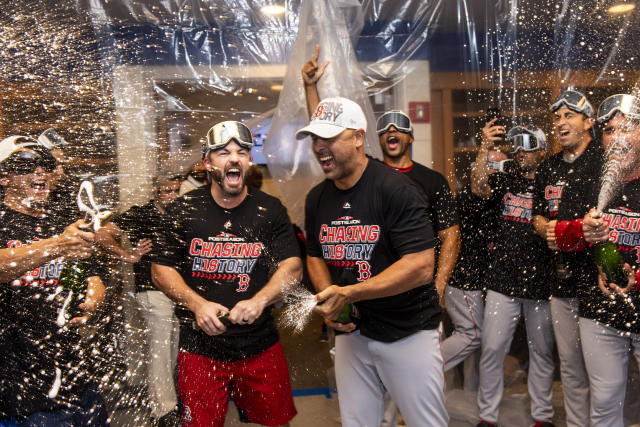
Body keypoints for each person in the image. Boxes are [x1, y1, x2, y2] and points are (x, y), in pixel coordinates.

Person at [299, 96, 448, 426]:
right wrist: (332, 300)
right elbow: (314, 256)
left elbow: (421, 265)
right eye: (314, 139)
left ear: (357, 137)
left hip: (408, 331)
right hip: (353, 332)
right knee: (357, 422)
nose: (320, 147)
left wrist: (350, 294)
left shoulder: (396, 189)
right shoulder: (317, 198)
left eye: (329, 138)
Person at [150, 120, 302, 427]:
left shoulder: (270, 210)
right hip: (200, 349)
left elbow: (292, 267)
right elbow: (160, 269)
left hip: (259, 345)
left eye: (241, 152)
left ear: (248, 161)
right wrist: (197, 304)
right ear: (207, 163)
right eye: (223, 152)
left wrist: (260, 300)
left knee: (274, 423)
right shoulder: (183, 210)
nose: (234, 158)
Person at [0, 136, 109, 424]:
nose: (40, 171)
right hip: (20, 385)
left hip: (77, 374)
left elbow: (93, 275)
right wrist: (57, 246)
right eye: (25, 165)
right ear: (3, 178)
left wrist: (93, 300)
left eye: (46, 164)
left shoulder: (60, 221)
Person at [557, 92, 640, 426]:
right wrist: (582, 230)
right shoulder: (588, 177)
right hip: (599, 310)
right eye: (609, 131)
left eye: (627, 128)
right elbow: (559, 235)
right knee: (605, 402)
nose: (616, 138)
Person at [471, 124, 556, 427]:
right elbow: (479, 186)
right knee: (492, 349)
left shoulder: (552, 184)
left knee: (542, 352)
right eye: (517, 146)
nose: (520, 151)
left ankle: (542, 417)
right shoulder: (507, 179)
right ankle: (487, 416)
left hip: (541, 283)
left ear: (543, 151)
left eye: (528, 146)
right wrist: (483, 147)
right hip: (502, 280)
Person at [531, 89, 601, 427]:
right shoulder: (548, 168)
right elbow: (536, 215)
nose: (560, 123)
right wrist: (546, 226)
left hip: (599, 282)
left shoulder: (604, 160)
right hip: (561, 283)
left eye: (569, 116)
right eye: (557, 117)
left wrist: (571, 231)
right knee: (571, 365)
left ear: (588, 122)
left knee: (603, 369)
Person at [95, 174, 181, 425]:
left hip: (178, 290)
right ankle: (164, 410)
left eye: (176, 191)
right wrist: (127, 255)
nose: (173, 196)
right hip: (151, 290)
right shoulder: (141, 214)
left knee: (173, 349)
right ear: (156, 193)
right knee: (161, 350)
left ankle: (170, 401)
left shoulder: (181, 213)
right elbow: (102, 234)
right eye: (167, 191)